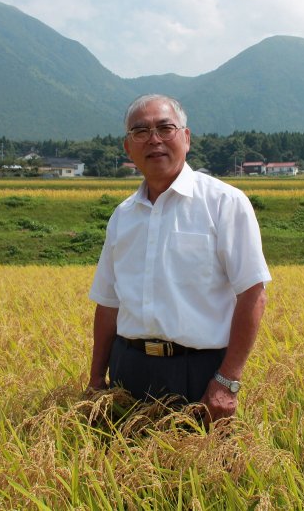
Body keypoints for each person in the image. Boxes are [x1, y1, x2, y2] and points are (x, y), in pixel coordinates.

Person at [87, 94, 271, 423]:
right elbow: (108, 303)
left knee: (202, 472)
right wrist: (96, 380)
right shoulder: (123, 215)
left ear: (186, 138)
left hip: (200, 374)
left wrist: (227, 381)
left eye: (165, 128)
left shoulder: (224, 202)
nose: (154, 139)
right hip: (128, 371)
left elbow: (253, 294)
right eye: (140, 131)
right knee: (126, 472)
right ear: (128, 148)